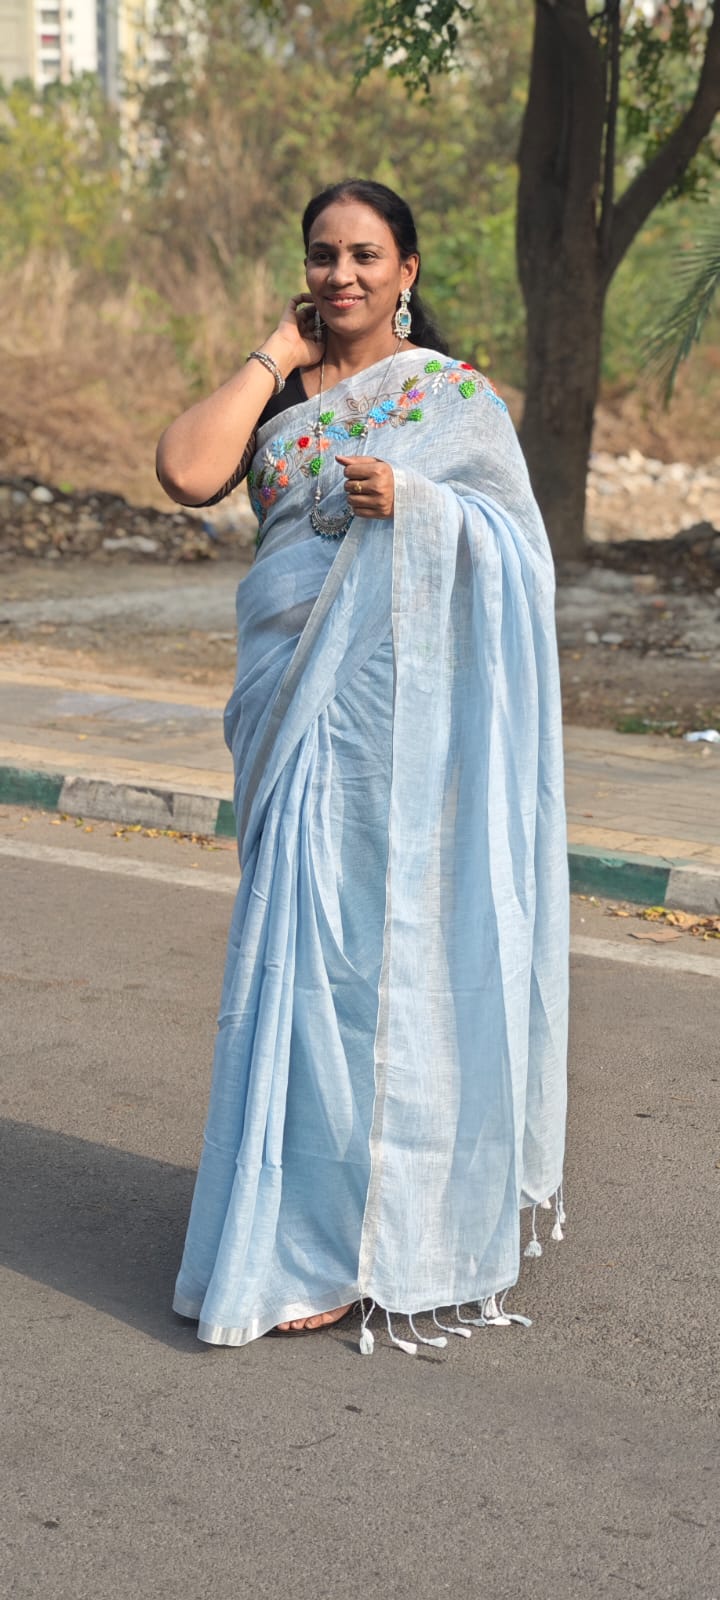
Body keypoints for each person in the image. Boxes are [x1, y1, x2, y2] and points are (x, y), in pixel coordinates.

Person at [156, 178, 569, 1355]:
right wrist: (273, 352)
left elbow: (522, 557)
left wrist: (422, 504)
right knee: (294, 968)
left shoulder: (450, 400)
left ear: (408, 272)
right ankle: (291, 1229)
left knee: (377, 970)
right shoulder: (284, 400)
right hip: (290, 715)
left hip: (397, 727)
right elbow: (185, 471)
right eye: (323, 255)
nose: (342, 274)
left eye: (366, 255)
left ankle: (379, 1233)